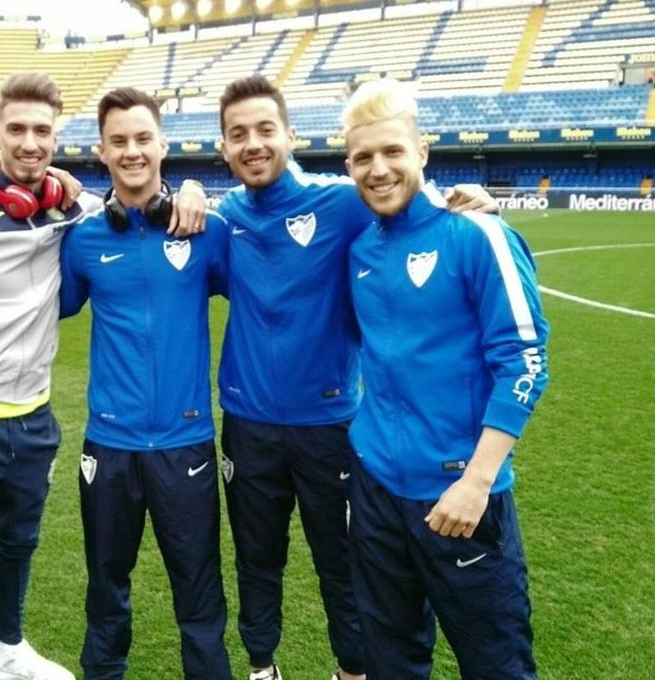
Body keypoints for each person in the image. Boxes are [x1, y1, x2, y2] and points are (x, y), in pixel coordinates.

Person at [0, 73, 208, 680]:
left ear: (56, 140)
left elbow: (129, 201)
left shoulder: (72, 211)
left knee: (19, 543)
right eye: (17, 129)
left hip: (33, 418)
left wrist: (192, 188)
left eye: (41, 130)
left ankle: (9, 650)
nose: (29, 141)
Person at [215, 75, 496, 680]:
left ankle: (353, 670)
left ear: (291, 135)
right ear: (224, 148)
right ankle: (262, 667)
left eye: (265, 129)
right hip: (247, 424)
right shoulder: (224, 216)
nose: (253, 143)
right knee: (256, 559)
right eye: (238, 134)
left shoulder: (341, 201)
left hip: (330, 425)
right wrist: (182, 189)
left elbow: (404, 198)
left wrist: (463, 197)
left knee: (343, 564)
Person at [343, 78, 547, 679]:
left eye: (393, 151)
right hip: (376, 490)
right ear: (349, 166)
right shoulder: (360, 251)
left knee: (497, 666)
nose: (379, 169)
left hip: (460, 495)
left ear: (422, 152)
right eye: (362, 157)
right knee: (390, 662)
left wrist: (476, 482)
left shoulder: (479, 234)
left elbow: (526, 361)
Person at [59, 87, 232, 680]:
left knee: (199, 591)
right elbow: (49, 304)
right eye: (119, 142)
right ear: (102, 153)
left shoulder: (207, 231)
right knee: (106, 587)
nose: (131, 151)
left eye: (142, 139)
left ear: (162, 145)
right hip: (109, 445)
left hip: (186, 443)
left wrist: (197, 191)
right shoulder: (83, 238)